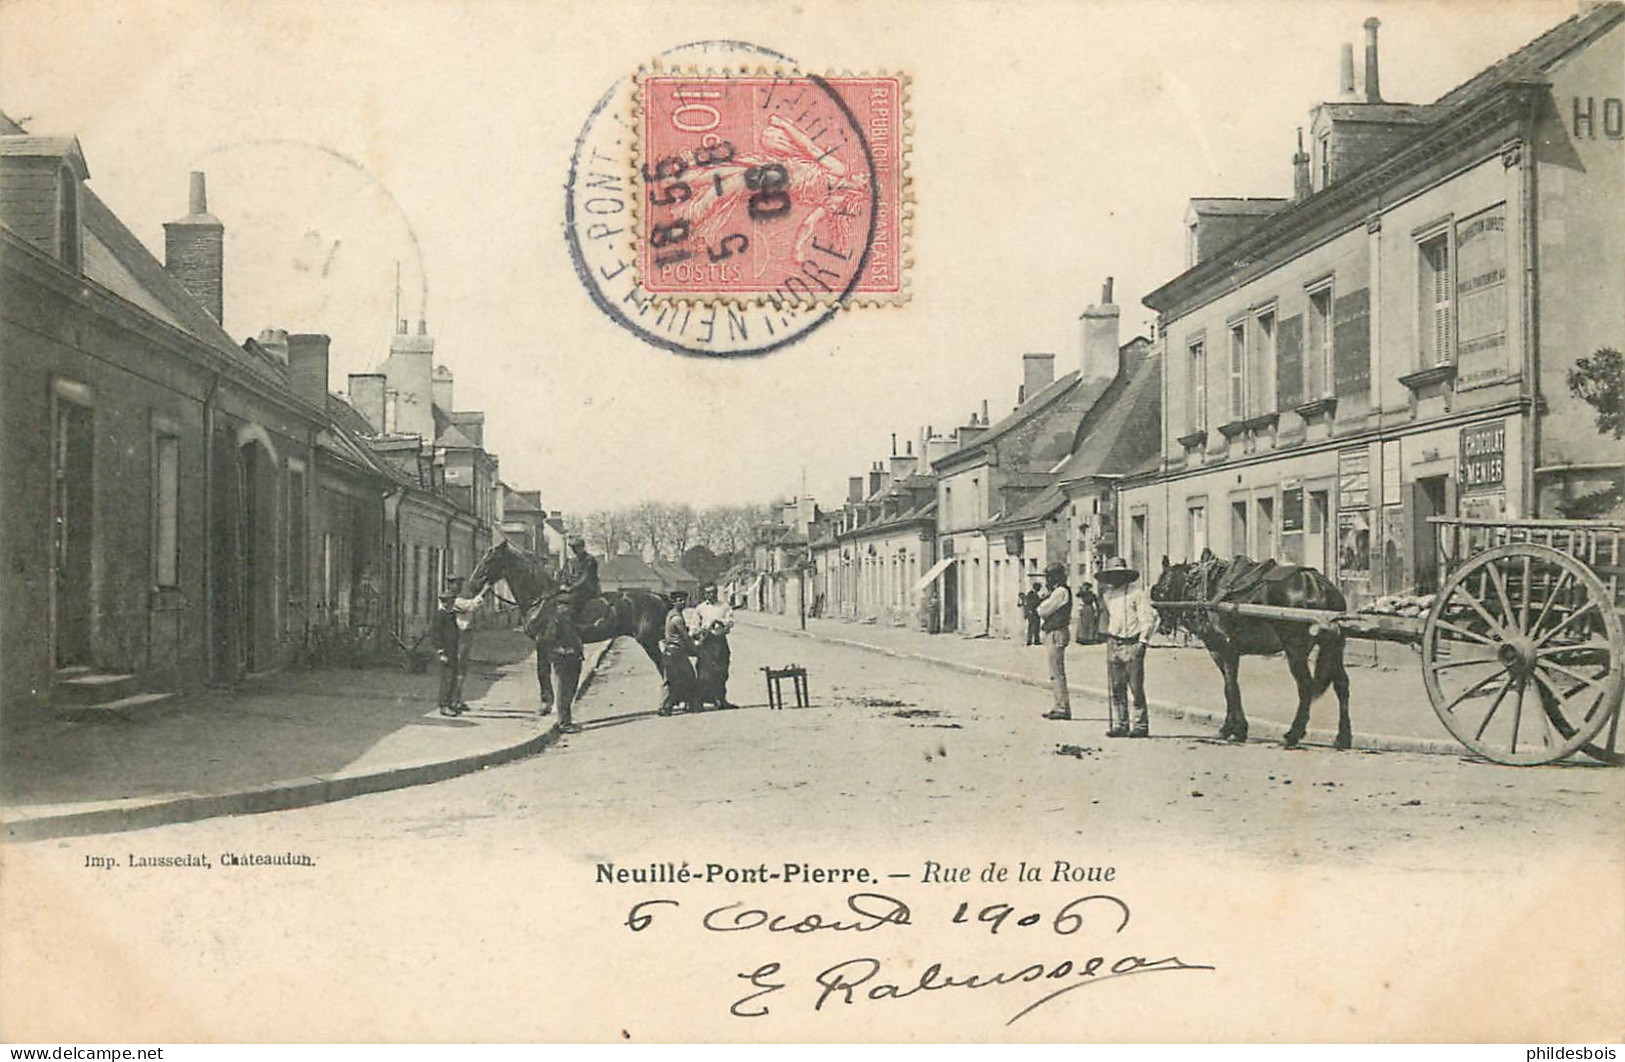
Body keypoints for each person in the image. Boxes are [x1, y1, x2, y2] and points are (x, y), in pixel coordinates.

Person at [1096, 556, 1157, 738]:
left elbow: (1148, 618)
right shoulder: (1108, 596)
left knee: (1136, 686)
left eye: (1119, 574)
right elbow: (1109, 618)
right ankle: (1120, 723)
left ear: (1125, 575)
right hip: (1114, 642)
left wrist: (1143, 641)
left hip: (1132, 642)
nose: (1115, 578)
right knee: (1116, 685)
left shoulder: (1137, 593)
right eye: (1112, 575)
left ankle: (1140, 725)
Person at [534, 600, 585, 733]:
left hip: (573, 657)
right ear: (558, 607)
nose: (568, 608)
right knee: (564, 689)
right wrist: (561, 650)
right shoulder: (554, 621)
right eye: (564, 605)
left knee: (570, 689)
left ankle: (566, 721)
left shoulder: (568, 620)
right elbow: (549, 640)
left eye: (568, 605)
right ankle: (564, 723)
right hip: (563, 659)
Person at [431, 579, 475, 716]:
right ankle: (444, 705)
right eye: (449, 603)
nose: (450, 605)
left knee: (452, 678)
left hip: (453, 651)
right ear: (444, 603)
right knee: (447, 679)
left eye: (451, 603)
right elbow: (437, 635)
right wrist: (440, 652)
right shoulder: (441, 615)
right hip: (446, 653)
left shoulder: (450, 615)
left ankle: (450, 703)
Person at [1036, 562, 1073, 721]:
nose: (1048, 580)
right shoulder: (1058, 591)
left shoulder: (1060, 592)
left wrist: (1043, 602)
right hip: (1055, 631)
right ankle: (1059, 705)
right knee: (1055, 671)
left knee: (1056, 672)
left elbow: (1043, 611)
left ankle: (1062, 707)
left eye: (1050, 577)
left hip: (1057, 632)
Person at [692, 582, 737, 709]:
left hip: (720, 641)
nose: (710, 595)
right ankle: (699, 702)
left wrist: (719, 622)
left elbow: (731, 621)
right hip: (706, 642)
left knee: (722, 671)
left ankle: (721, 700)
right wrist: (700, 630)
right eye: (707, 593)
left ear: (716, 592)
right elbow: (694, 625)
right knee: (704, 671)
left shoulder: (724, 606)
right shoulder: (700, 608)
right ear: (704, 594)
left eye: (712, 592)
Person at [659, 589, 700, 716]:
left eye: (684, 600)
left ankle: (670, 706)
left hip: (670, 651)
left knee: (673, 679)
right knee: (686, 677)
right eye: (679, 600)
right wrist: (695, 649)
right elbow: (685, 637)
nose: (682, 602)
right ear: (673, 602)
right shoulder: (677, 618)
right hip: (676, 652)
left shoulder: (671, 614)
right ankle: (669, 706)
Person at [559, 536, 600, 621]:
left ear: (582, 547)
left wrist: (571, 588)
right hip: (573, 590)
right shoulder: (571, 561)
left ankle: (574, 623)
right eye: (572, 547)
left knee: (574, 601)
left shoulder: (589, 560)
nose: (574, 550)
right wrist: (563, 584)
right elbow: (565, 575)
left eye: (576, 547)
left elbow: (585, 578)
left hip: (587, 589)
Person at [1074, 580, 1101, 644]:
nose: (1086, 588)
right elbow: (1077, 595)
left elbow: (1096, 602)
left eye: (1087, 587)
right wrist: (1081, 590)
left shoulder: (1091, 594)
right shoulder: (1082, 593)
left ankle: (1090, 638)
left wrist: (1097, 610)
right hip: (1084, 608)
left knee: (1090, 623)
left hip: (1089, 608)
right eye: (1085, 587)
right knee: (1083, 624)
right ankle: (1083, 638)